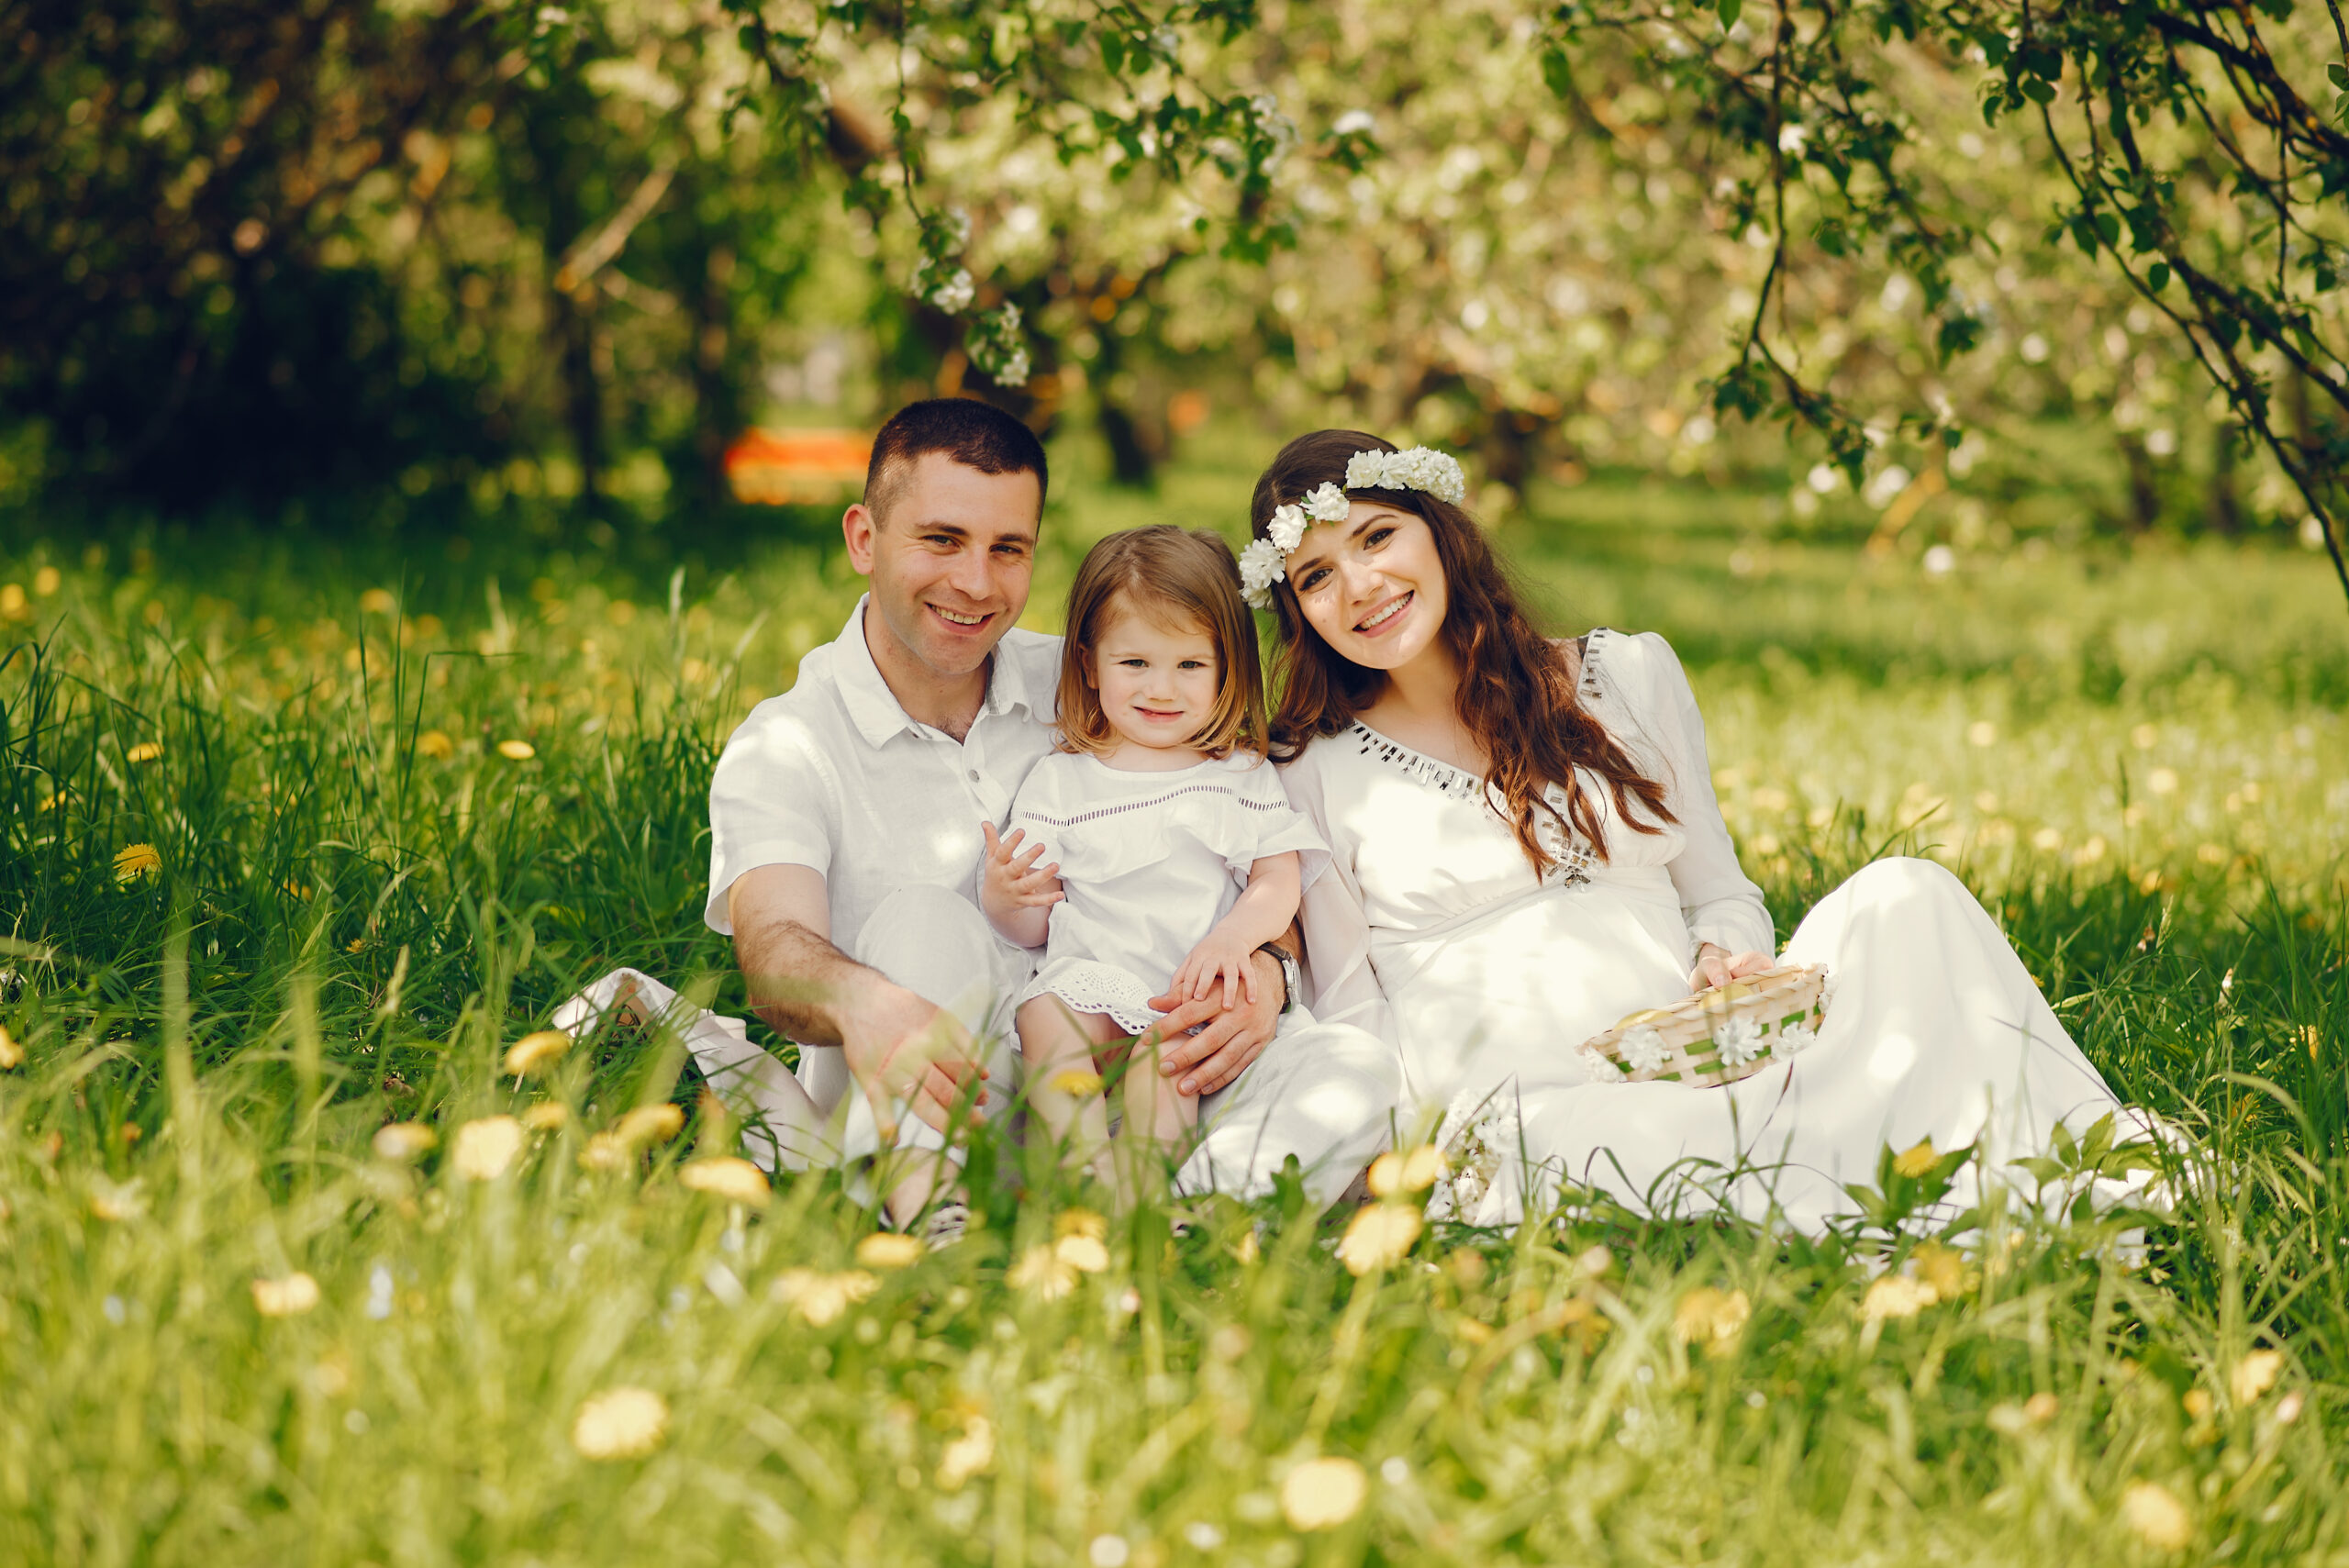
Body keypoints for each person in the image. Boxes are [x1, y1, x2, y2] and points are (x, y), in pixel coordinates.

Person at [1247, 429, 2162, 1231]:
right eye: (1316, 575)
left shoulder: (1626, 675)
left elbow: (1720, 892)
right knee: (1647, 1140)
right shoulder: (1311, 768)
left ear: (1438, 532)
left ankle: (2074, 1153)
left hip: (1700, 1054)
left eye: (1376, 535)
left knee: (1906, 893)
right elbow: (1346, 1006)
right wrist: (1391, 1160)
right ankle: (1863, 1160)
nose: (1359, 584)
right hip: (1525, 1112)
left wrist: (1725, 958)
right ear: (1295, 608)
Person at [679, 400, 1395, 1229]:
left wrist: (1263, 969)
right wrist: (866, 1002)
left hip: (1157, 1073)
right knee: (924, 915)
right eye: (941, 540)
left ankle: (1160, 1225)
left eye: (1007, 549)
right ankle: (941, 1223)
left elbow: (1248, 855)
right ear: (863, 540)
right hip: (941, 1087)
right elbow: (772, 955)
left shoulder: (1105, 683)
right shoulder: (788, 742)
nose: (975, 583)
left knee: (1352, 1068)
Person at [982, 526, 1326, 1201]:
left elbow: (1278, 876)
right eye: (1134, 663)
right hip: (1092, 980)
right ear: (1088, 664)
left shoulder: (1239, 774)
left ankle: (1138, 1193)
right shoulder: (1063, 780)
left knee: (1165, 1061)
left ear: (1227, 668)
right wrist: (1006, 895)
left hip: (1188, 990)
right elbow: (1031, 926)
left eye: (1190, 666)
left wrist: (1234, 936)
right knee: (1048, 1011)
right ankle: (1079, 1162)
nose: (1161, 689)